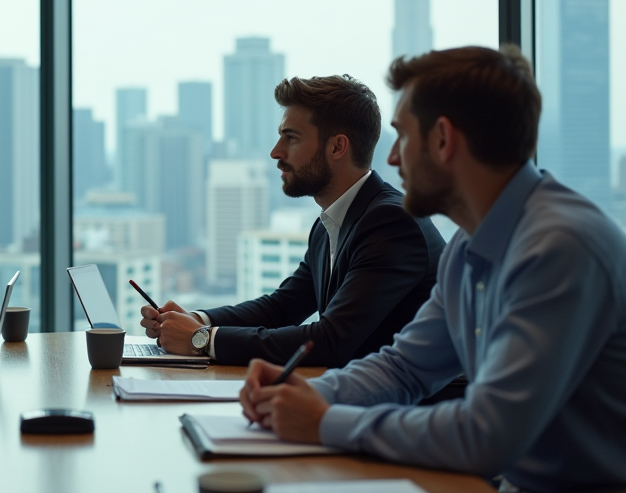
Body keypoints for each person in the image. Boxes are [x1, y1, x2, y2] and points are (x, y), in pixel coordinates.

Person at [241, 46, 626, 493]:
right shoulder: (472, 248)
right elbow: (405, 367)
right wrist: (310, 396)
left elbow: (486, 435)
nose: (392, 159)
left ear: (443, 140)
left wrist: (327, 422)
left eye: (402, 136)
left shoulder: (559, 247)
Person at [142, 74, 445, 367]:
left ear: (338, 147)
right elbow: (282, 308)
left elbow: (330, 340)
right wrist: (197, 320)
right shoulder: (332, 223)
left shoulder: (390, 223)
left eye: (291, 138)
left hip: (416, 411)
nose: (276, 152)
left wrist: (201, 340)